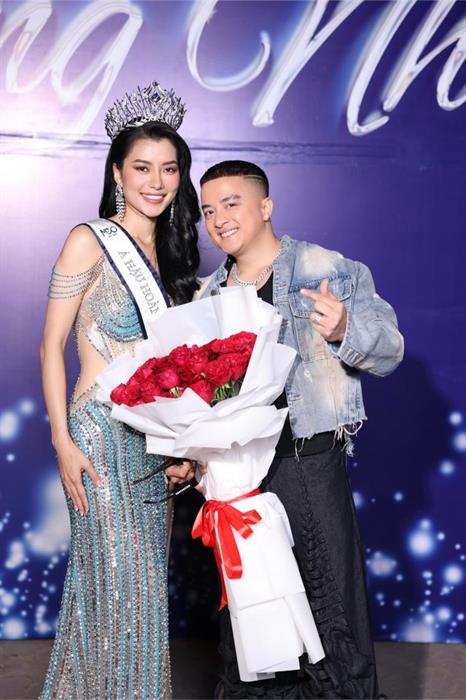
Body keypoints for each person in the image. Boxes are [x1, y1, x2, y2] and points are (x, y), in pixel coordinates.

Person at [199, 160, 404, 699]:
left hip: (308, 461)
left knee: (329, 603)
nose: (219, 219)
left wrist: (345, 329)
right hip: (240, 478)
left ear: (266, 206)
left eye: (232, 203)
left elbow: (390, 351)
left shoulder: (326, 268)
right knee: (256, 612)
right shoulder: (207, 297)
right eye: (208, 210)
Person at [39, 81, 199, 699]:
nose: (156, 182)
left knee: (143, 594)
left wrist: (186, 448)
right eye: (142, 167)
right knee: (113, 588)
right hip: (100, 437)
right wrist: (61, 441)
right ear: (116, 172)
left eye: (169, 169)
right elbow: (51, 346)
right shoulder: (89, 239)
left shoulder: (176, 256)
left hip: (153, 443)